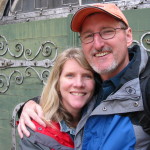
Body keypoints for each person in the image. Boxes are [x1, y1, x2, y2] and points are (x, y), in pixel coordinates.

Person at [18, 3, 150, 150]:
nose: (98, 44)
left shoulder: (145, 86)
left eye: (107, 32)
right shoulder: (98, 84)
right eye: (88, 35)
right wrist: (29, 105)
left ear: (128, 36)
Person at [19, 48, 96, 149]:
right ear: (57, 82)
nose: (79, 84)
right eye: (70, 75)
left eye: (87, 76)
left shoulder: (105, 117)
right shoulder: (35, 132)